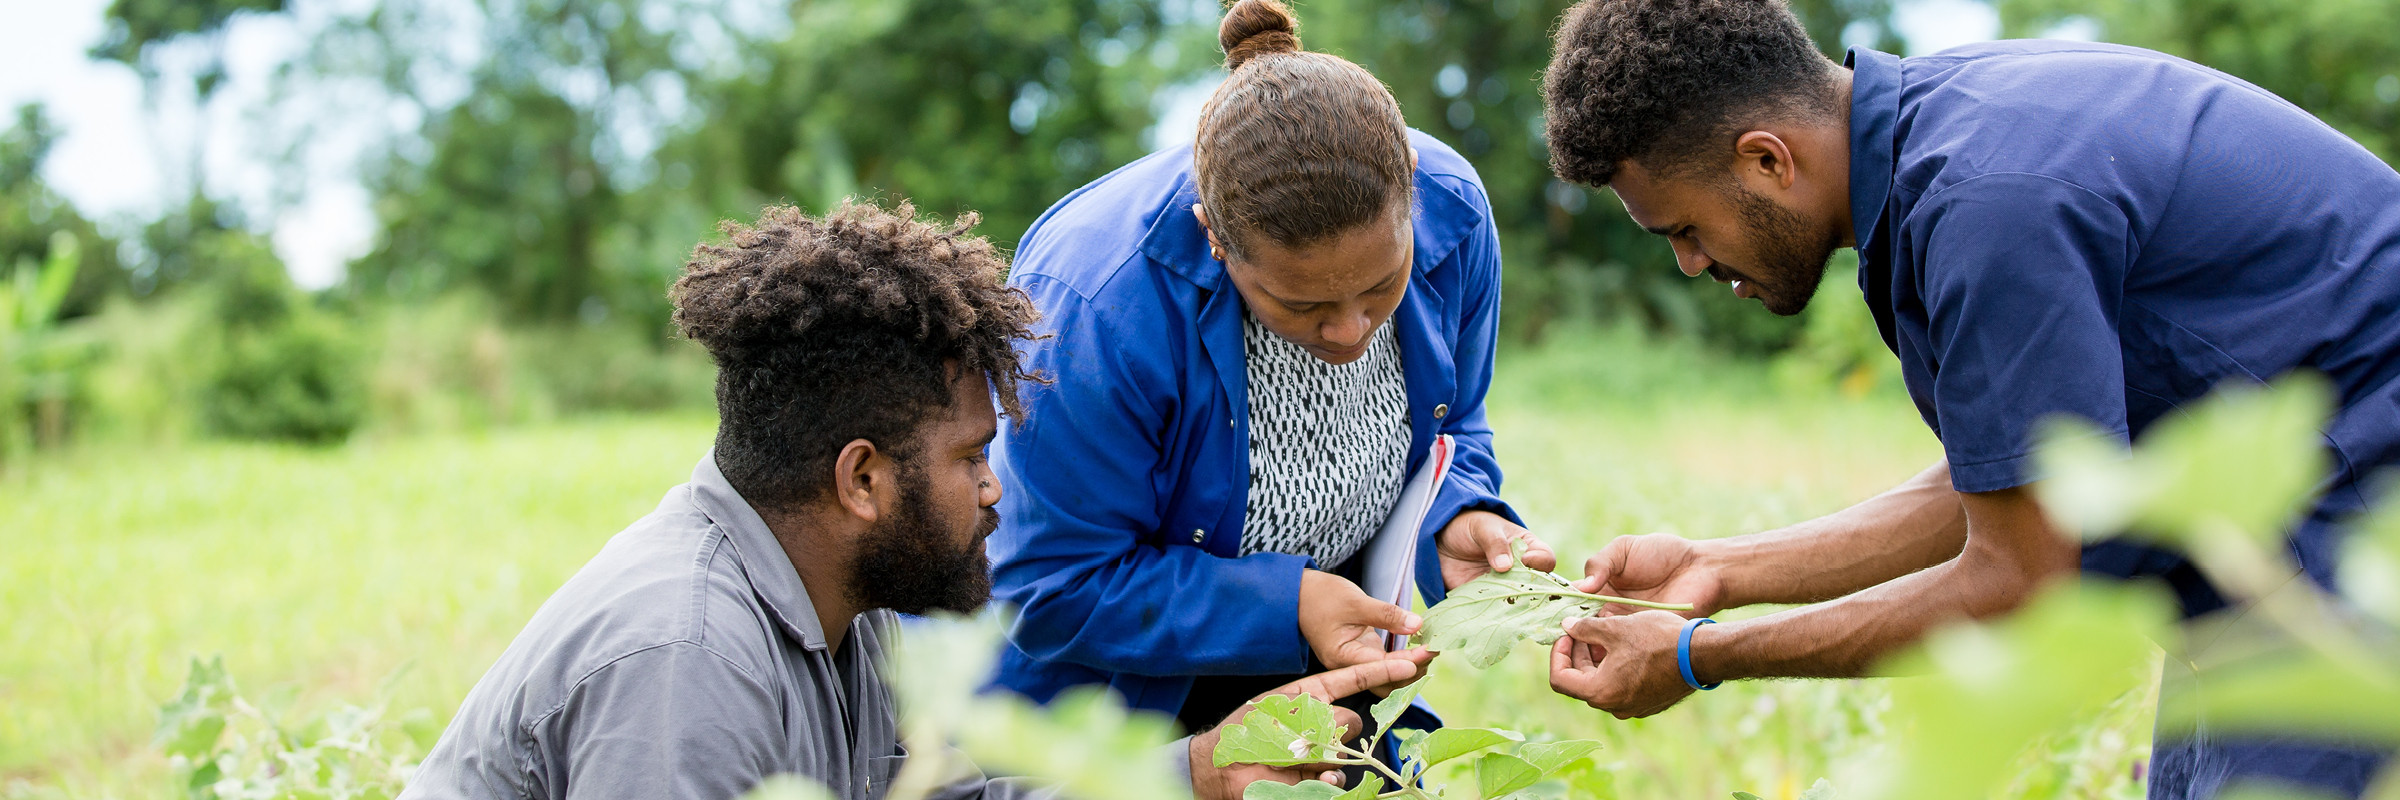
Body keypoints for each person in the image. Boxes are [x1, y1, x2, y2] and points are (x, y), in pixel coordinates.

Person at [1536, 1, 2400, 797]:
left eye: (1684, 230)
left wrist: (1696, 657)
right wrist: (1716, 570)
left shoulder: (1987, 204)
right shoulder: (1941, 142)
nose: (1690, 264)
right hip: (2280, 547)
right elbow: (2011, 481)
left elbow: (2018, 580)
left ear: (1767, 159)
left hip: (2361, 530)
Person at [400, 200, 1419, 800]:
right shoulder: (687, 660)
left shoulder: (841, 599)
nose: (995, 490)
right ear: (862, 478)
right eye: (975, 454)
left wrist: (1200, 765)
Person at [986, 0, 1553, 741]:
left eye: (1383, 286)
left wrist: (1460, 512)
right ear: (1213, 239)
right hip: (1117, 716)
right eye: (1300, 303)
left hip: (1322, 671)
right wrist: (1286, 605)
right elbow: (1050, 587)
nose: (1351, 331)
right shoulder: (1093, 309)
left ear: (1410, 187)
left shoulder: (1456, 212)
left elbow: (1455, 426)